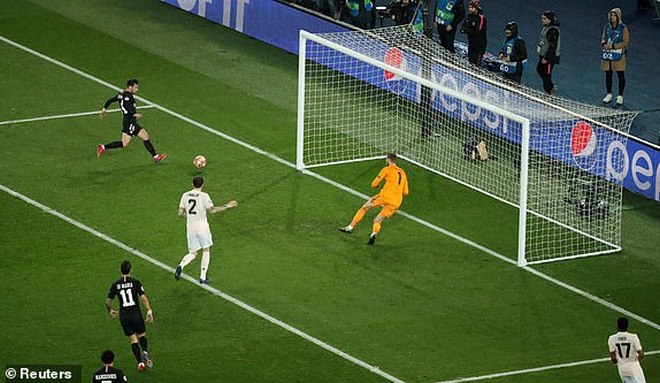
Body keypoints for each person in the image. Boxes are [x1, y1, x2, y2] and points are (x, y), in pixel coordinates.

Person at [175, 176, 237, 284]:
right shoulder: (204, 196)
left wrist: (189, 216)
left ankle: (181, 265)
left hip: (190, 227)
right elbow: (212, 211)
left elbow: (180, 213)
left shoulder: (185, 195)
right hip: (202, 227)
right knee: (206, 249)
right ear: (202, 184)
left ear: (192, 184)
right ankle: (203, 277)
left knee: (193, 253)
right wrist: (227, 206)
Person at [339, 153, 409, 244]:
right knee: (378, 220)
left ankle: (350, 227)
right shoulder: (403, 172)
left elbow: (374, 184)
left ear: (388, 160)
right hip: (397, 201)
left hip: (385, 196)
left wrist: (376, 186)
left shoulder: (386, 169)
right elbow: (406, 192)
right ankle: (373, 234)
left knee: (364, 207)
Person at [97, 79, 167, 163]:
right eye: (135, 87)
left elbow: (111, 100)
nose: (137, 90)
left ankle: (103, 147)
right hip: (130, 121)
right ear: (130, 87)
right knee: (139, 138)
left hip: (128, 121)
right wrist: (135, 115)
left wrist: (104, 109)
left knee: (130, 141)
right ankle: (156, 157)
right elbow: (128, 110)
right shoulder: (127, 96)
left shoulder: (121, 94)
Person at [105, 260, 154, 372]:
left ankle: (140, 363)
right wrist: (149, 310)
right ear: (131, 270)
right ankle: (145, 352)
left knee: (133, 340)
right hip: (136, 314)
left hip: (124, 316)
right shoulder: (136, 282)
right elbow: (142, 297)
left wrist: (110, 310)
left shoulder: (115, 284)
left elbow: (108, 301)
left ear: (120, 270)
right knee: (141, 335)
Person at [600, 8, 630, 106]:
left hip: (618, 55)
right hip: (608, 54)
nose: (612, 18)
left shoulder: (623, 28)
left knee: (620, 75)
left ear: (618, 16)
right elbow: (603, 37)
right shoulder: (607, 26)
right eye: (611, 15)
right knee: (608, 74)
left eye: (614, 16)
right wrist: (604, 44)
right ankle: (609, 94)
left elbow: (625, 42)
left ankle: (620, 96)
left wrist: (614, 46)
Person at [608, 317, 646, 383]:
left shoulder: (612, 338)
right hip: (634, 367)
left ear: (618, 325)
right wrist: (637, 362)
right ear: (627, 326)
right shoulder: (633, 337)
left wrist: (620, 363)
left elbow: (613, 358)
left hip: (622, 368)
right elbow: (641, 354)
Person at [536, 10, 561, 94]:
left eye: (544, 18)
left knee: (546, 74)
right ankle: (550, 86)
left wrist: (546, 58)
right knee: (539, 69)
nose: (542, 20)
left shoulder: (553, 30)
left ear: (549, 19)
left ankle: (548, 91)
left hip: (549, 57)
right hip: (543, 54)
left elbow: (552, 47)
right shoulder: (547, 27)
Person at [460, 0, 487, 66]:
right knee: (470, 60)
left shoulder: (481, 18)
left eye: (472, 8)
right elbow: (462, 28)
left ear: (476, 8)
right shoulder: (469, 16)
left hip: (479, 45)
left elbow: (478, 32)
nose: (470, 9)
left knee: (476, 64)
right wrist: (464, 29)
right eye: (469, 7)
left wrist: (466, 30)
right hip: (471, 43)